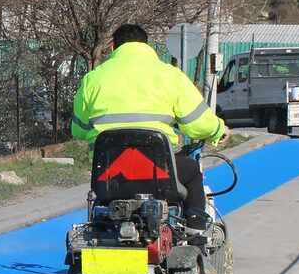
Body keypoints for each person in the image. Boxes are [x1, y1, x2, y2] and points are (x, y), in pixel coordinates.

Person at [71, 23, 228, 233]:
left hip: (110, 174)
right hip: (159, 172)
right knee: (192, 173)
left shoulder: (93, 79)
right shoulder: (170, 75)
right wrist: (219, 130)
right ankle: (196, 232)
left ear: (113, 48)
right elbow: (198, 122)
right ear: (147, 45)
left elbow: (79, 129)